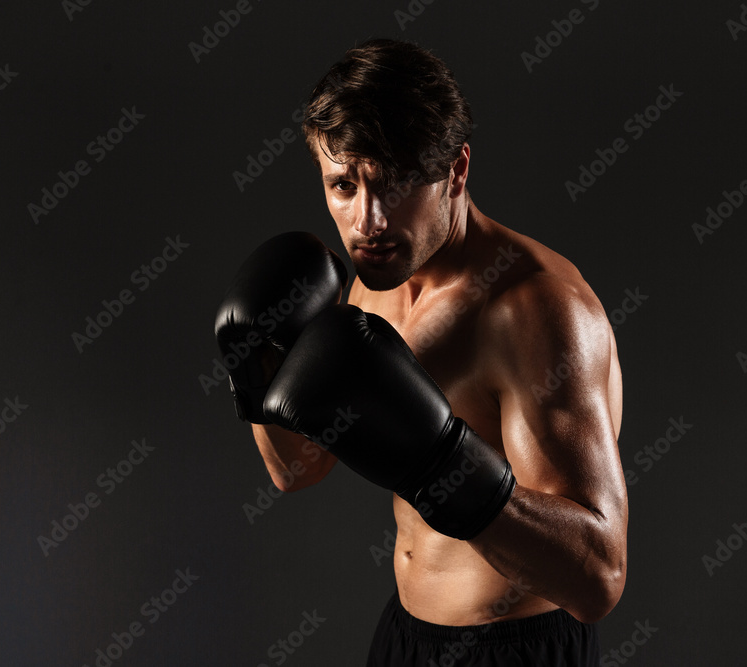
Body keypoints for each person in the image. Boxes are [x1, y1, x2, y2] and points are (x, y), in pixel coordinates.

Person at [215, 38, 627, 666]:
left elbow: (597, 576)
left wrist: (438, 467)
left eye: (395, 184)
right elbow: (297, 470)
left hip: (515, 651)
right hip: (407, 636)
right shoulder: (372, 287)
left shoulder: (536, 309)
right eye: (344, 185)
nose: (368, 221)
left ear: (455, 170)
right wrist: (254, 371)